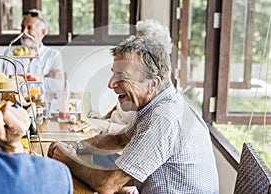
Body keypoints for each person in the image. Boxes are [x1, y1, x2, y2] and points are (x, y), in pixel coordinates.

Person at [48, 36, 219, 193]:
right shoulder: (157, 105)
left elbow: (107, 184)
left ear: (153, 84)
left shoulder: (164, 118)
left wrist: (68, 158)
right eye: (113, 73)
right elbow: (119, 140)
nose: (111, 84)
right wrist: (75, 147)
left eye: (121, 75)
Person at [0, 37, 73, 194]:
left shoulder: (53, 54)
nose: (25, 32)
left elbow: (56, 85)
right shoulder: (53, 178)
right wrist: (14, 151)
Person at [3, 9, 64, 94]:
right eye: (22, 27)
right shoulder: (10, 53)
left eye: (29, 28)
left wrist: (21, 80)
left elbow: (56, 87)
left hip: (43, 105)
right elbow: (7, 86)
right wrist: (41, 78)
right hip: (17, 104)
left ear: (43, 32)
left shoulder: (54, 55)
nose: (24, 32)